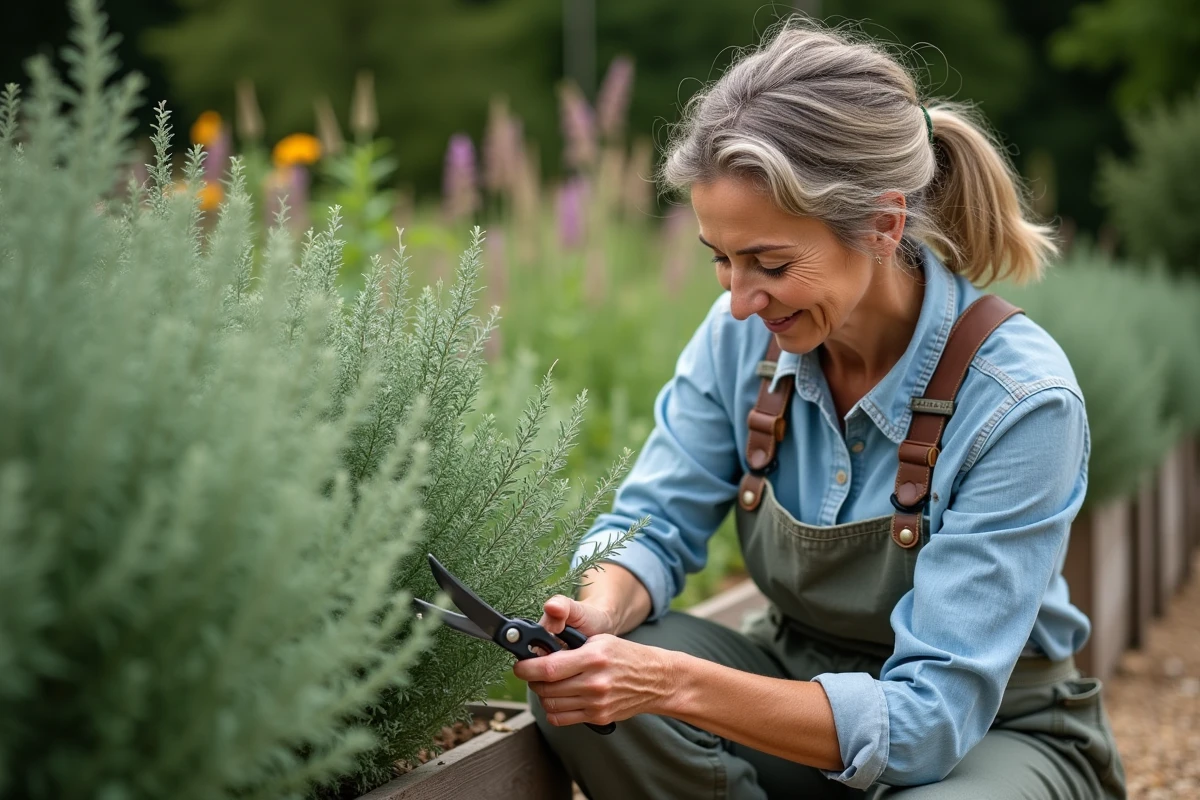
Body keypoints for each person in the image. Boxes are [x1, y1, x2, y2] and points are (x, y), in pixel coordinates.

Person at [516, 21, 1127, 800]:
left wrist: (665, 681)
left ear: (883, 224)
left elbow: (928, 722)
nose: (738, 302)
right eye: (721, 260)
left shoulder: (1019, 402)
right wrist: (594, 611)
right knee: (580, 698)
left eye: (770, 262)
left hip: (994, 733)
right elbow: (656, 525)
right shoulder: (745, 340)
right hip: (791, 685)